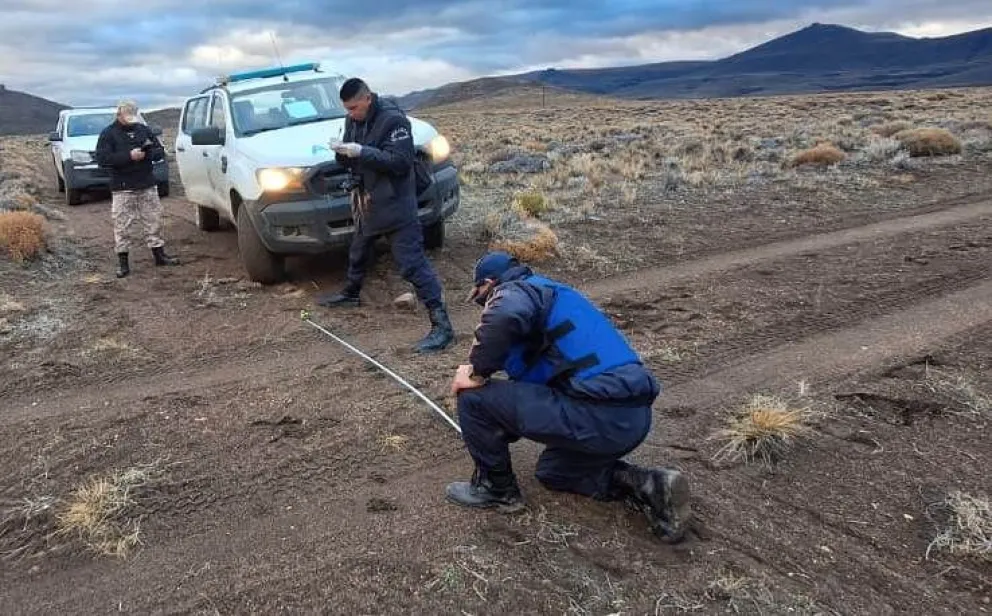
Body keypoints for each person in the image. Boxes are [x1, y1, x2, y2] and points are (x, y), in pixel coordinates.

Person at [445, 251, 692, 542]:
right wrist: (496, 427)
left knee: (473, 397)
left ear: (489, 283)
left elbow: (505, 314)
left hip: (598, 414)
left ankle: (496, 490)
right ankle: (650, 484)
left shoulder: (516, 291)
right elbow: (531, 393)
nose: (481, 303)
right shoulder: (553, 295)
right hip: (630, 420)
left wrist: (477, 372)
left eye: (480, 295)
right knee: (553, 472)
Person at [315, 77, 454, 354]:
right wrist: (342, 152)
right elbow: (353, 157)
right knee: (359, 246)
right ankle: (351, 293)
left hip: (396, 203)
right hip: (369, 199)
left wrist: (362, 151)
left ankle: (442, 325)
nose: (350, 114)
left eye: (354, 108)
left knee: (411, 263)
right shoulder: (353, 120)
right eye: (347, 109)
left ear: (367, 99)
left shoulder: (394, 121)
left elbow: (400, 163)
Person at [94, 99, 179, 278]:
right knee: (122, 225)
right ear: (119, 115)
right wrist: (128, 156)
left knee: (153, 220)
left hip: (146, 183)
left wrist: (146, 154)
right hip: (122, 187)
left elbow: (159, 151)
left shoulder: (143, 130)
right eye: (127, 117)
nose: (131, 121)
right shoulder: (108, 134)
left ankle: (159, 255)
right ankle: (123, 263)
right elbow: (102, 159)